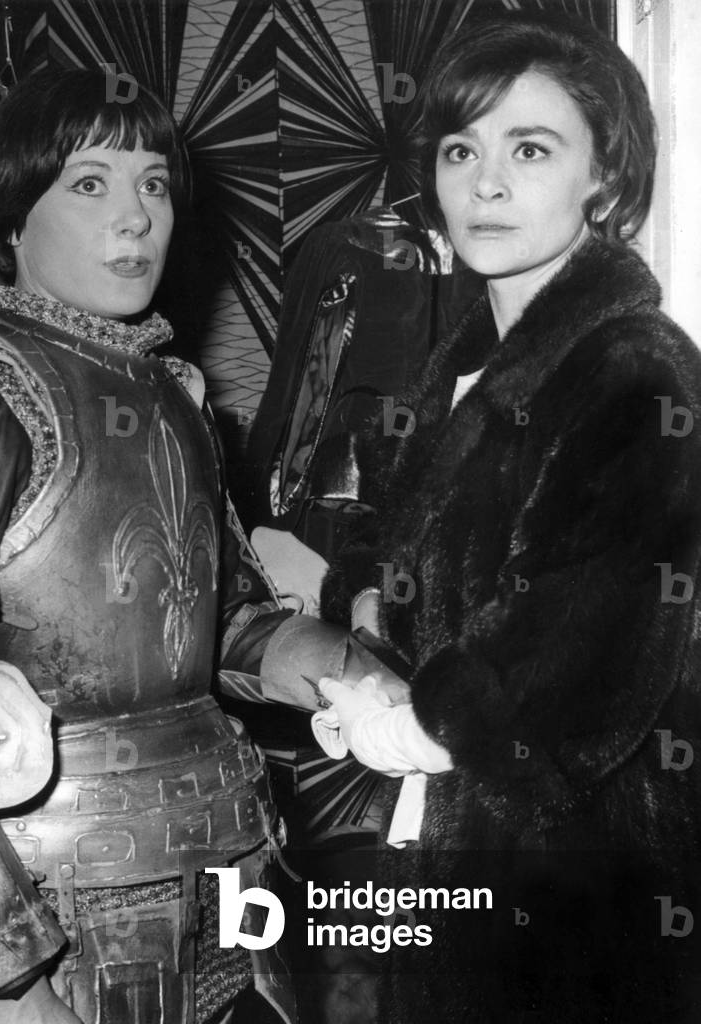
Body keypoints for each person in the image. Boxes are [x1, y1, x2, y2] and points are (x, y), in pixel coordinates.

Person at [0, 69, 294, 1024]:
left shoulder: (178, 398)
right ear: (9, 215)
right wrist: (12, 989)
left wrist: (359, 681)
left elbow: (224, 623)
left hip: (219, 868)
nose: (135, 218)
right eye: (90, 183)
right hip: (32, 894)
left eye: (154, 184)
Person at [314, 12, 701, 1023]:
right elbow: (413, 567)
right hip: (466, 856)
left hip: (585, 879)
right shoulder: (461, 367)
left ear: (603, 181)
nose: (483, 181)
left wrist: (409, 725)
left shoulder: (635, 368)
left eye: (528, 148)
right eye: (459, 148)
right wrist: (351, 609)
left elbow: (588, 651)